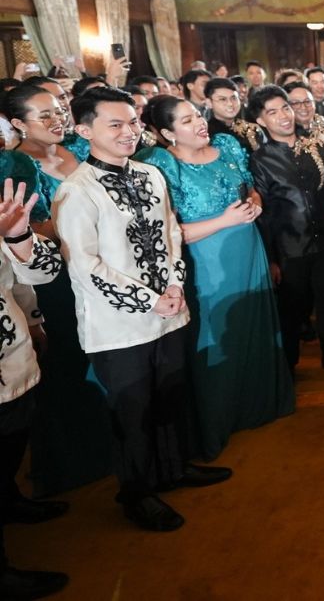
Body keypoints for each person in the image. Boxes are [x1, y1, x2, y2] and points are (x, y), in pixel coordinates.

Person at [53, 88, 231, 532]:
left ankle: (173, 468)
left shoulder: (151, 174)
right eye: (115, 124)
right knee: (133, 412)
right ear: (84, 130)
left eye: (132, 122)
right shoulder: (77, 191)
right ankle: (136, 493)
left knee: (171, 395)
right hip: (119, 326)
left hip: (168, 311)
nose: (128, 131)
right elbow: (85, 267)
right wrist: (149, 299)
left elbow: (171, 234)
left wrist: (173, 284)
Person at [138, 97, 294, 460]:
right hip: (206, 261)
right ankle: (216, 421)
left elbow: (250, 188)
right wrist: (225, 220)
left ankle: (257, 407)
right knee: (215, 333)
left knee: (252, 329)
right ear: (166, 133)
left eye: (198, 115)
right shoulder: (161, 164)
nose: (199, 124)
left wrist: (254, 203)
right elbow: (169, 232)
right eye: (187, 120)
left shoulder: (226, 146)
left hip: (249, 250)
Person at [0, 85, 113, 497]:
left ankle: (110, 449)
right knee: (66, 367)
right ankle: (68, 465)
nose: (57, 120)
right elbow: (24, 231)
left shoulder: (79, 152)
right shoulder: (13, 165)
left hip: (102, 270)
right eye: (43, 115)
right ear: (17, 124)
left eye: (60, 110)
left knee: (105, 360)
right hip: (54, 281)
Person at [248, 86, 324, 378]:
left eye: (285, 108)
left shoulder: (315, 145)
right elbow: (265, 214)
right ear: (260, 121)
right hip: (290, 247)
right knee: (293, 310)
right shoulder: (261, 159)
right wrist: (271, 259)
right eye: (272, 112)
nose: (283, 116)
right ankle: (289, 363)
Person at [0, 179, 69, 600]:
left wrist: (18, 236)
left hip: (14, 352)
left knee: (13, 438)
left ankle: (9, 500)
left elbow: (40, 271)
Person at [204, 78, 265, 153]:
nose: (230, 104)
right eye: (222, 99)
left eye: (234, 98)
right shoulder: (205, 134)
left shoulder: (252, 129)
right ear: (209, 103)